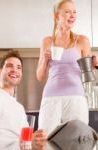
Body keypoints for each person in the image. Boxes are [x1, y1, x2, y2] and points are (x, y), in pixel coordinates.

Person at [36, 0, 92, 136]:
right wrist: (44, 59)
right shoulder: (47, 41)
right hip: (51, 98)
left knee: (78, 140)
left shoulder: (82, 41)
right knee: (47, 140)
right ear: (57, 17)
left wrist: (95, 64)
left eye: (74, 12)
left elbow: (89, 72)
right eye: (67, 12)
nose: (72, 15)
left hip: (76, 98)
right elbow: (40, 76)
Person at [0, 50, 46, 150]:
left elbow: (24, 143)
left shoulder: (19, 108)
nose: (14, 70)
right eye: (9, 66)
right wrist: (24, 142)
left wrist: (35, 142)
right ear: (0, 71)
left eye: (18, 67)